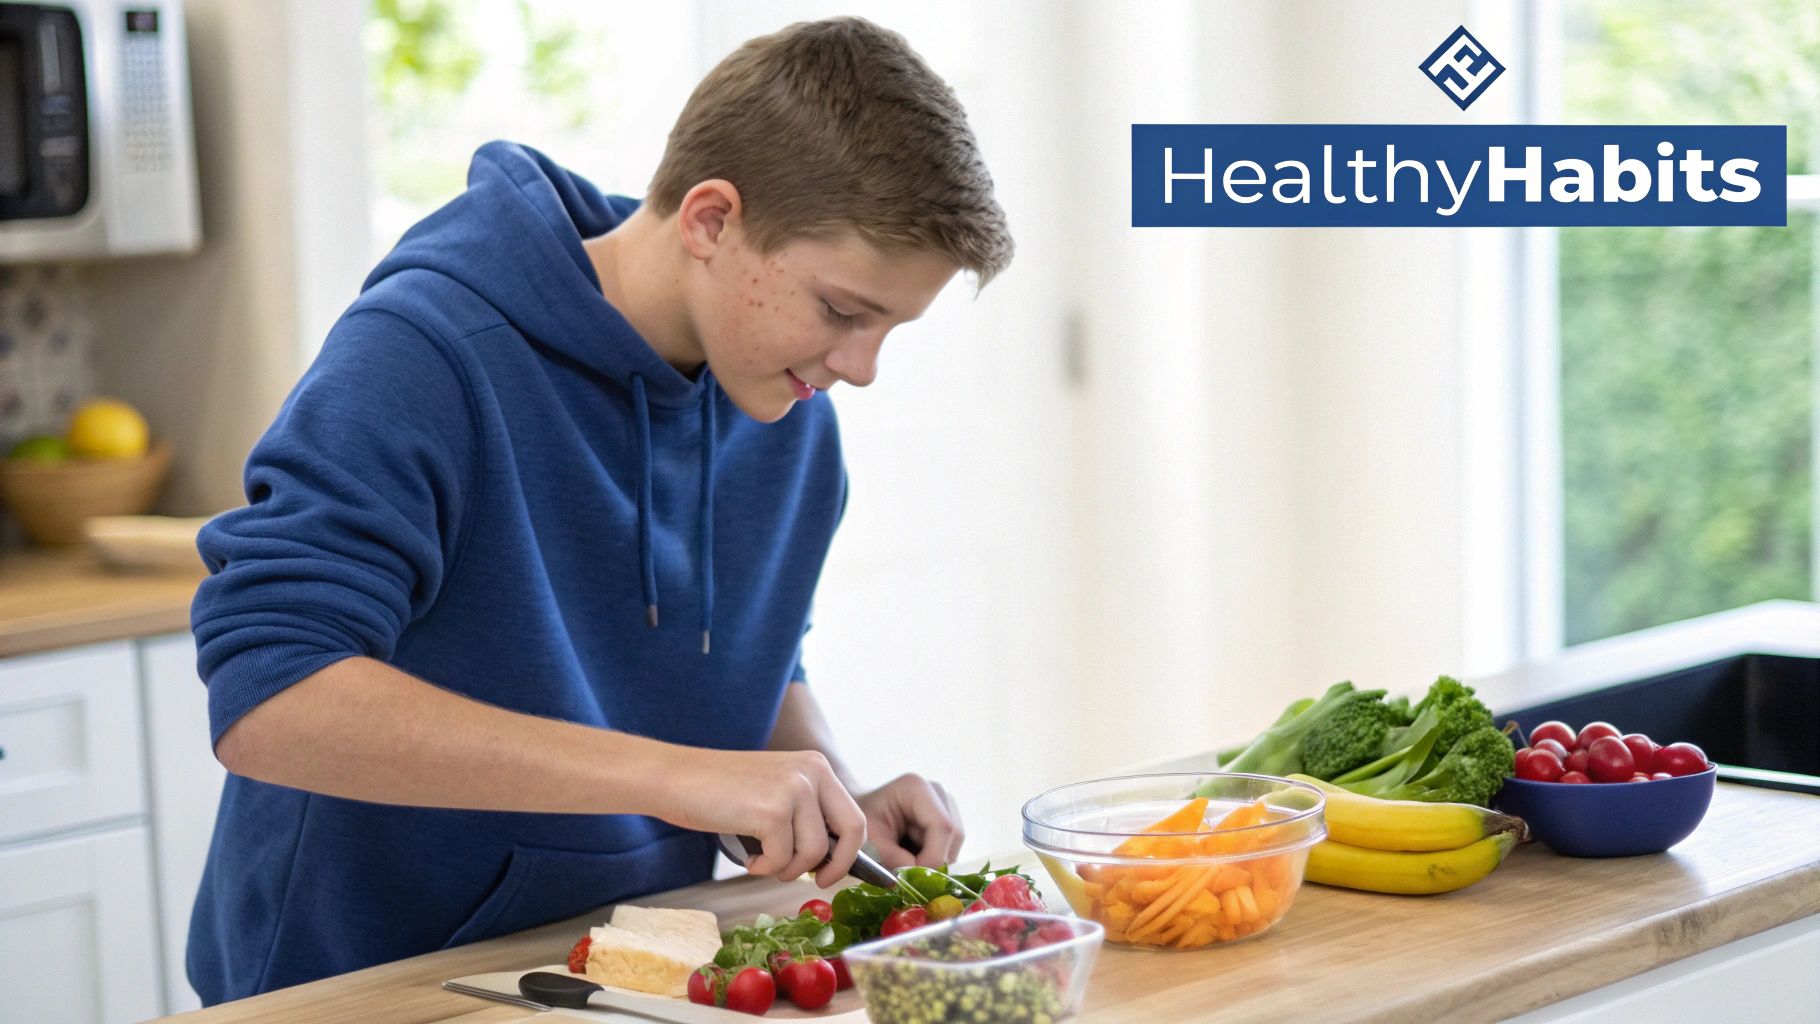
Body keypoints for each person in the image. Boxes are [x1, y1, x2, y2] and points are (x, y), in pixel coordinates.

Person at [185, 16, 1012, 1003]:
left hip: (606, 975)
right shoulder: (424, 355)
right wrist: (678, 777)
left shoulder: (785, 405)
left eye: (887, 329)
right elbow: (271, 697)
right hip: (362, 983)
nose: (860, 368)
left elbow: (746, 660)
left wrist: (831, 793)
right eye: (841, 311)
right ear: (710, 220)